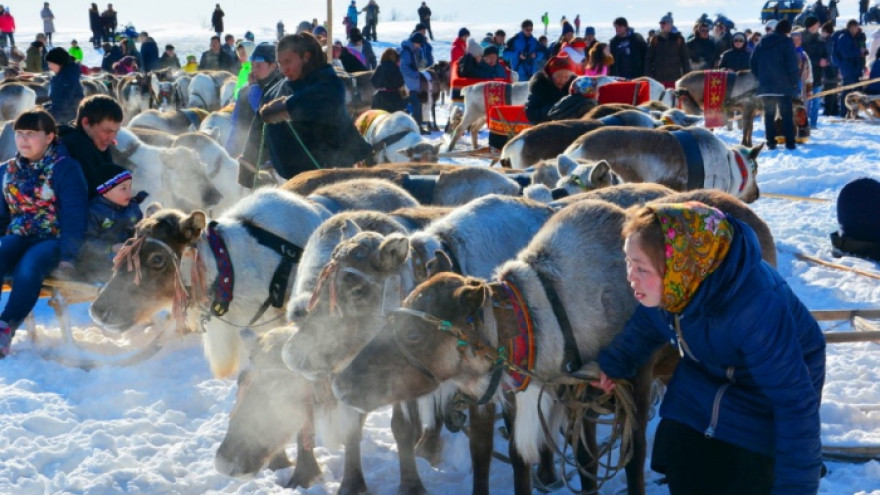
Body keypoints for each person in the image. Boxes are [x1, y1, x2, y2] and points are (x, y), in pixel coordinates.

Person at [595, 201, 825, 495]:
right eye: (629, 262)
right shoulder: (675, 288)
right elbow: (645, 326)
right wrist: (614, 363)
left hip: (766, 394)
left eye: (641, 267)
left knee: (747, 475)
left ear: (678, 265)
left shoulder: (754, 308)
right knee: (681, 451)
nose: (630, 276)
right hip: (707, 376)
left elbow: (795, 405)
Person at [0, 108, 88, 357]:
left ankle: (5, 327)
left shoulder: (64, 168)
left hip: (53, 238)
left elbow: (74, 215)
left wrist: (69, 257)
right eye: (19, 133)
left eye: (31, 133)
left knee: (30, 264)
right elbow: (1, 216)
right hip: (18, 235)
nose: (23, 139)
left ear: (50, 137)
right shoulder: (7, 171)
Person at [246, 33, 372, 179]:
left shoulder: (327, 81)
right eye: (280, 63)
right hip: (289, 180)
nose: (284, 68)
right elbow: (258, 128)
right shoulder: (275, 89)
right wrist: (248, 165)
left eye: (288, 62)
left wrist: (284, 108)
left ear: (306, 57)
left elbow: (316, 101)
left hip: (333, 174)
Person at [77, 165, 144, 283]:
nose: (129, 192)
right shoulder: (95, 211)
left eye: (130, 187)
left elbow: (139, 230)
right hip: (99, 260)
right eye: (123, 188)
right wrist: (111, 248)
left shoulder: (133, 209)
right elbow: (87, 243)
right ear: (105, 191)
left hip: (126, 257)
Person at [225, 43, 283, 161]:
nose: (253, 70)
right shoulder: (244, 91)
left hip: (276, 159)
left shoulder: (282, 88)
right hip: (248, 156)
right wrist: (227, 156)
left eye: (258, 66)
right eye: (252, 65)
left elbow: (266, 116)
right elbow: (236, 127)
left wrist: (255, 91)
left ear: (273, 66)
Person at [59, 95, 123, 199]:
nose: (112, 138)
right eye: (107, 131)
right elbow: (93, 194)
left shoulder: (96, 145)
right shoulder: (75, 149)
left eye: (116, 132)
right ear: (86, 123)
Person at [750, 18, 800, 150]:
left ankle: (771, 142)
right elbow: (792, 65)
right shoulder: (786, 43)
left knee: (769, 114)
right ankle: (790, 142)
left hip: (766, 86)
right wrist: (794, 82)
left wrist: (760, 78)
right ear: (788, 31)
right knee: (786, 115)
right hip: (783, 86)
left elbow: (753, 63)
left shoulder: (762, 42)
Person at [524, 54, 577, 123]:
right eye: (558, 76)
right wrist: (554, 109)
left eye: (566, 77)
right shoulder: (540, 86)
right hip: (545, 127)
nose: (562, 80)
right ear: (551, 75)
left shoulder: (575, 88)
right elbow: (531, 114)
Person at [646, 12, 691, 88]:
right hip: (658, 79)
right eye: (660, 23)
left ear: (670, 24)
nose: (661, 25)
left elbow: (685, 58)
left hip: (675, 79)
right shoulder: (655, 39)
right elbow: (648, 58)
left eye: (664, 23)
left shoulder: (678, 39)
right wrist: (648, 75)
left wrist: (687, 76)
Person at [833, 20, 867, 118]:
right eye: (856, 27)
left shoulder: (852, 37)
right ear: (851, 27)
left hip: (853, 68)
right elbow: (846, 53)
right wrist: (858, 51)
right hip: (848, 68)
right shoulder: (844, 38)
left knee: (854, 91)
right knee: (847, 91)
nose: (857, 30)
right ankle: (844, 112)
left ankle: (852, 113)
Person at [46, 48, 84, 125]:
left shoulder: (68, 78)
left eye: (50, 63)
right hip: (63, 118)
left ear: (58, 62)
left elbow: (63, 102)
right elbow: (55, 100)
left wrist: (48, 118)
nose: (49, 66)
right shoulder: (59, 77)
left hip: (69, 121)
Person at [802, 17, 828, 128]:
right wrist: (818, 61)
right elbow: (803, 57)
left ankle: (813, 123)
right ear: (811, 25)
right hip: (805, 75)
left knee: (816, 101)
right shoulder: (802, 39)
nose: (819, 25)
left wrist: (825, 60)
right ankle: (803, 123)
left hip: (818, 74)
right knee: (805, 101)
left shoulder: (820, 38)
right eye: (817, 24)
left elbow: (826, 53)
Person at [400, 31, 428, 132]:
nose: (419, 46)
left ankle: (416, 127)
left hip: (411, 84)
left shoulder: (412, 51)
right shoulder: (406, 52)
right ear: (415, 42)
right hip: (408, 84)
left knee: (413, 105)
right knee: (415, 105)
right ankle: (417, 128)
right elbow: (404, 68)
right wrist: (416, 75)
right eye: (419, 44)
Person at [370, 47, 406, 113]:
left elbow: (373, 80)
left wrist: (380, 87)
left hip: (379, 98)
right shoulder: (394, 67)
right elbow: (400, 82)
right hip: (393, 99)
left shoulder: (380, 66)